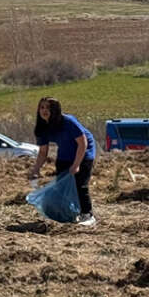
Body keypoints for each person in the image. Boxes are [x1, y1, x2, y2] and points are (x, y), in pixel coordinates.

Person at [28, 97, 97, 226]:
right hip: (65, 154)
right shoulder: (42, 127)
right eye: (42, 107)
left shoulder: (68, 121)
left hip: (84, 152)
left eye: (48, 108)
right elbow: (43, 152)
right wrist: (36, 169)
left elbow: (83, 143)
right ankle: (70, 213)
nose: (44, 111)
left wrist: (76, 165)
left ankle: (88, 215)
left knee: (80, 184)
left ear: (55, 110)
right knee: (62, 185)